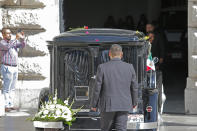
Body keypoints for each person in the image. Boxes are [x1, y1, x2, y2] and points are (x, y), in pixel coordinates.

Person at [91, 44, 138, 131]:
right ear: (121, 54)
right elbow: (134, 87)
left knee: (106, 129)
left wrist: (94, 105)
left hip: (107, 105)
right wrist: (134, 103)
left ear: (109, 54)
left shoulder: (102, 67)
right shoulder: (129, 67)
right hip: (124, 104)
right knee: (121, 129)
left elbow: (97, 88)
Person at [0, 28, 26, 112]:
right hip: (7, 67)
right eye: (7, 33)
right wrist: (16, 38)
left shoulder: (13, 42)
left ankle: (10, 105)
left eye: (10, 33)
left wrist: (22, 38)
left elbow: (22, 45)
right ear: (3, 35)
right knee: (7, 87)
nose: (10, 35)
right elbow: (8, 47)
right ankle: (5, 105)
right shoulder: (2, 43)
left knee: (12, 87)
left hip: (14, 67)